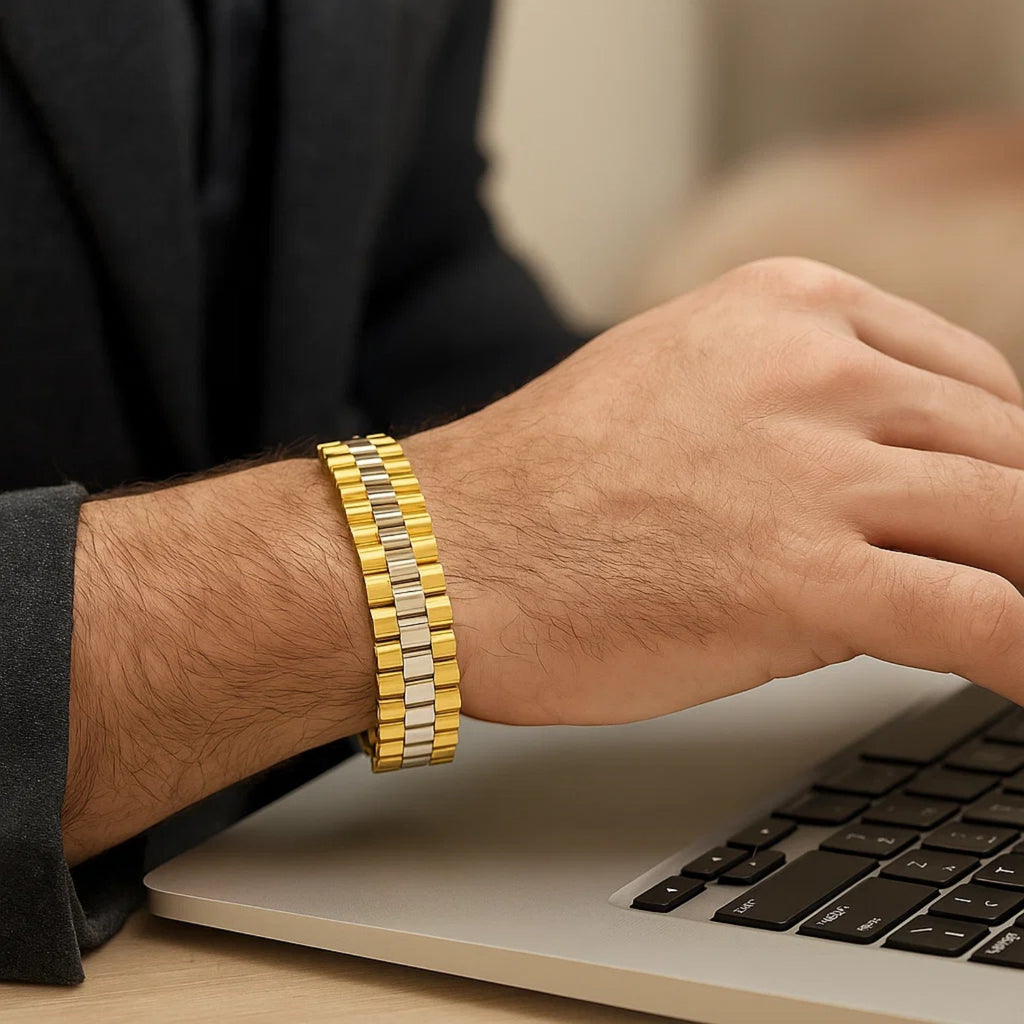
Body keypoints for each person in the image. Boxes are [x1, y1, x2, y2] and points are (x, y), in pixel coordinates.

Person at [5, 0, 1024, 987]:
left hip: (357, 848)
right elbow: (461, 511)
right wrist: (426, 550)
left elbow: (409, 279)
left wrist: (751, 475)